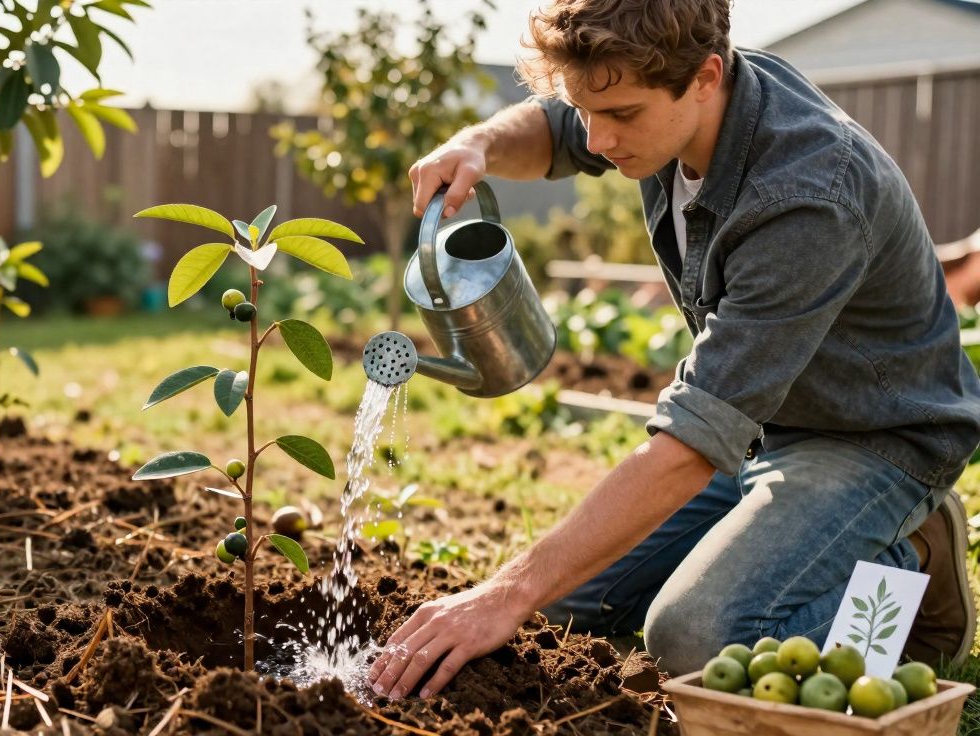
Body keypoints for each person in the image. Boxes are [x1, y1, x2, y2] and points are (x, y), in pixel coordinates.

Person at [368, 0, 980, 700]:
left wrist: (503, 592)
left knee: (695, 635)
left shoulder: (808, 197)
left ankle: (905, 570)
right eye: (586, 109)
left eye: (621, 116)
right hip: (765, 427)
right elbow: (555, 126)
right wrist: (478, 145)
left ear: (705, 76)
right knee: (565, 604)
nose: (597, 139)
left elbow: (694, 436)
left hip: (872, 438)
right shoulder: (651, 103)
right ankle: (778, 538)